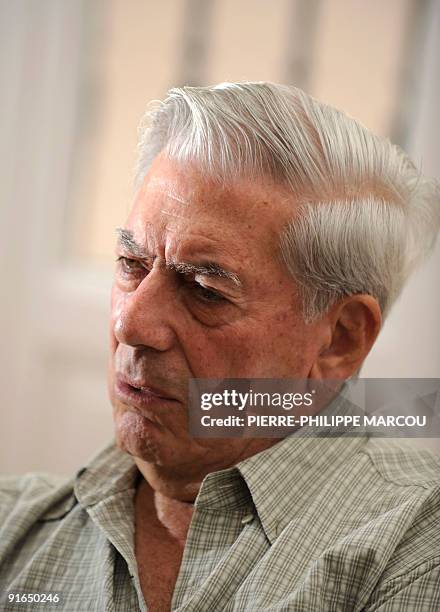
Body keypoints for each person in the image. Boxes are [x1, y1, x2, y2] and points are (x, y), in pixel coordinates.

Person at [1, 82, 440, 612]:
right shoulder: (14, 528)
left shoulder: (416, 548)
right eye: (130, 265)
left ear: (340, 340)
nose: (132, 322)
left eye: (204, 289)